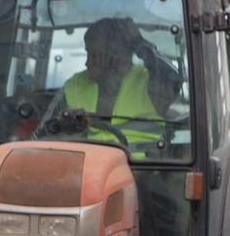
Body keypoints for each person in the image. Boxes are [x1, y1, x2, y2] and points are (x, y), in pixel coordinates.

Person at [49, 17, 175, 145]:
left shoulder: (150, 80)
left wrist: (140, 44)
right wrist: (65, 125)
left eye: (94, 55)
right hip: (90, 161)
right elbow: (46, 131)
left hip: (144, 162)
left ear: (116, 55)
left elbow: (175, 80)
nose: (87, 63)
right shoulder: (74, 84)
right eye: (87, 53)